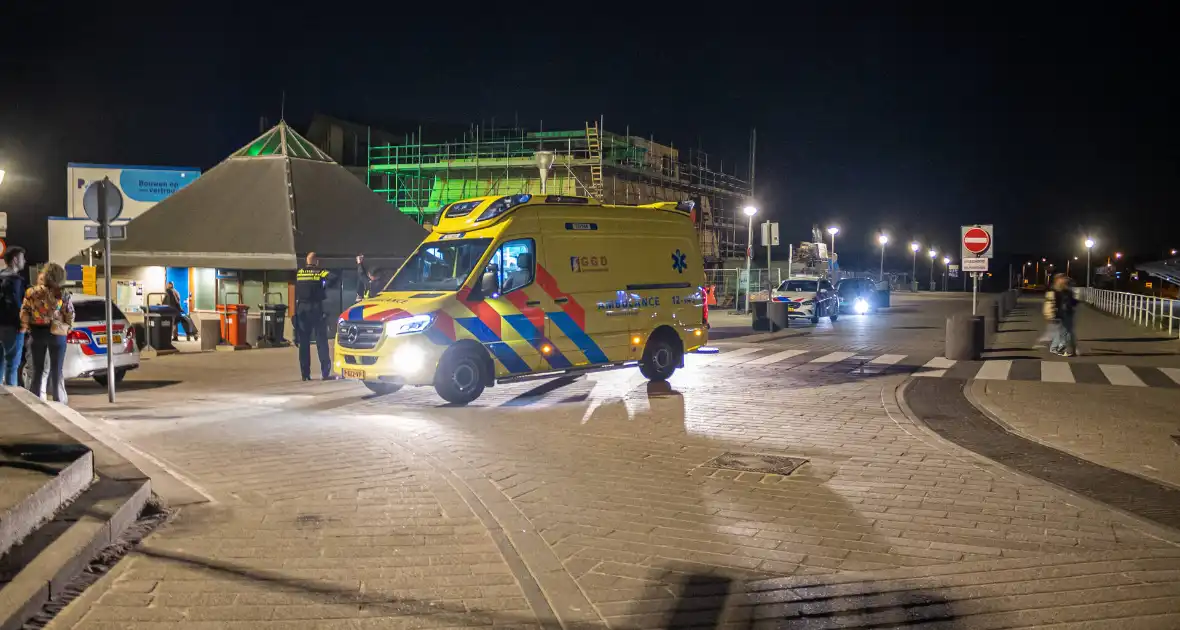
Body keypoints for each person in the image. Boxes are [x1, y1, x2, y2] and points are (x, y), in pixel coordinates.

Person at [20, 263, 74, 402]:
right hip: (57, 333)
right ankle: (59, 402)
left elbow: (25, 312)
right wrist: (68, 327)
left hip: (37, 333)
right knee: (57, 371)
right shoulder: (62, 294)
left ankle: (36, 402)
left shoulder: (32, 292)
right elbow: (70, 313)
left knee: (37, 371)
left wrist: (25, 326)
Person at [295, 252, 338, 381]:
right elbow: (334, 277)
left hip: (302, 310)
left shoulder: (300, 273)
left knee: (304, 343)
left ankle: (305, 374)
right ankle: (325, 372)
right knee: (321, 341)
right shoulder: (319, 273)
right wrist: (324, 286)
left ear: (306, 262)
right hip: (316, 309)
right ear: (316, 261)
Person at [0, 246, 28, 386]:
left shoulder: (1, 276)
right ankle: (13, 398)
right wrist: (22, 324)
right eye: (23, 258)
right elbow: (16, 304)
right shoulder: (15, 280)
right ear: (15, 260)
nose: (25, 261)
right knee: (12, 365)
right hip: (12, 327)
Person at [1047, 273, 1078, 356]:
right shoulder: (1056, 290)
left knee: (1064, 332)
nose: (1065, 279)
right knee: (1066, 332)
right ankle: (1062, 349)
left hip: (1067, 312)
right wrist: (1053, 313)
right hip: (1062, 312)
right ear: (1058, 280)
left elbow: (1072, 301)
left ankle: (1056, 348)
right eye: (1063, 278)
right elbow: (1053, 302)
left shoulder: (1066, 290)